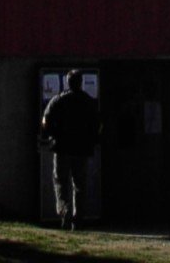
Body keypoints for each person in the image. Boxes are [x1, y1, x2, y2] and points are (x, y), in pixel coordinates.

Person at [41, 70, 101, 230]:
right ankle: (78, 218)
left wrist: (49, 136)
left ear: (68, 82)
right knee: (79, 184)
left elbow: (46, 120)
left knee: (60, 181)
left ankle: (64, 210)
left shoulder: (58, 100)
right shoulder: (88, 102)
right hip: (81, 149)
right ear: (81, 82)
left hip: (61, 147)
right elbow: (97, 124)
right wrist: (92, 140)